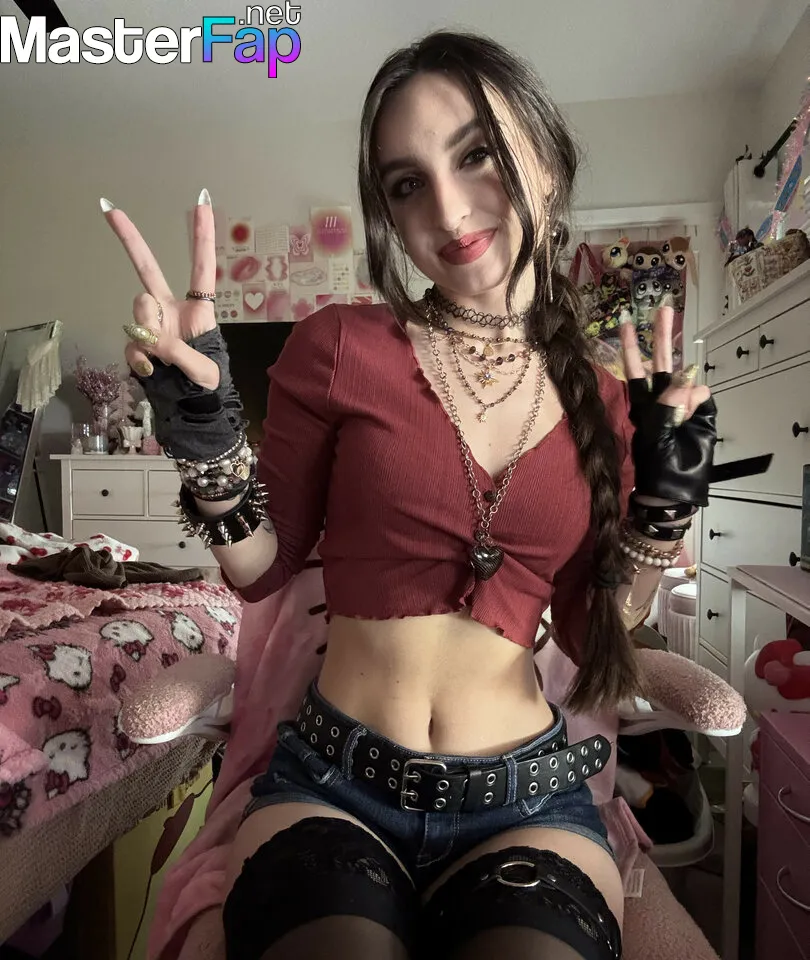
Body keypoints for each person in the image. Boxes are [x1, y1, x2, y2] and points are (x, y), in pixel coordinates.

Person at [103, 30, 716, 960]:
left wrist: (660, 517)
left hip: (528, 800)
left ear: (547, 161)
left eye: (476, 155)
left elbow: (597, 628)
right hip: (333, 784)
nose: (448, 207)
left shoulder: (609, 404)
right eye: (405, 183)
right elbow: (263, 569)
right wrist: (207, 443)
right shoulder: (340, 346)